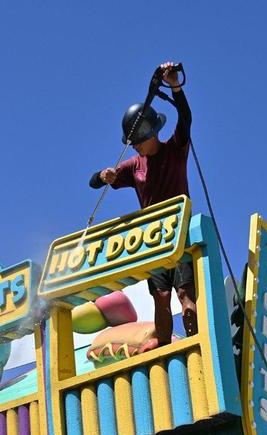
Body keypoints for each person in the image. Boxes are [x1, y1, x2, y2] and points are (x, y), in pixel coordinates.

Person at [89, 61, 196, 345]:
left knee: (185, 294)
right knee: (160, 298)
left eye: (138, 140)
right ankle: (164, 347)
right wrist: (104, 175)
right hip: (153, 239)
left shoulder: (175, 150)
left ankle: (197, 344)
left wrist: (174, 86)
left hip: (179, 234)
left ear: (152, 134)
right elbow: (94, 182)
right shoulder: (134, 165)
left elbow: (185, 118)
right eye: (132, 141)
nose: (134, 145)